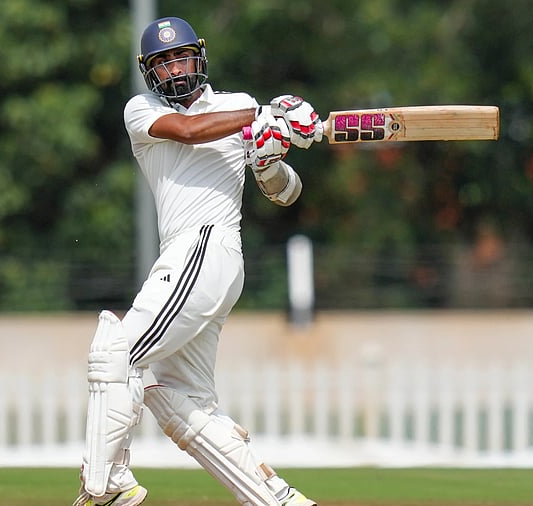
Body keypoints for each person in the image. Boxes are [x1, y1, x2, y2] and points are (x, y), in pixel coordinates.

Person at [72, 16, 322, 506]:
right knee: (177, 398)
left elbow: (285, 193)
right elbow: (189, 130)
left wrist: (270, 158)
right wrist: (263, 115)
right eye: (162, 62)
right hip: (189, 258)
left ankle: (105, 486)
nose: (174, 69)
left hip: (208, 247)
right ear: (149, 72)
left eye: (181, 56)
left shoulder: (235, 105)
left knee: (115, 351)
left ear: (199, 57)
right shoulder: (141, 110)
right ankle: (280, 501)